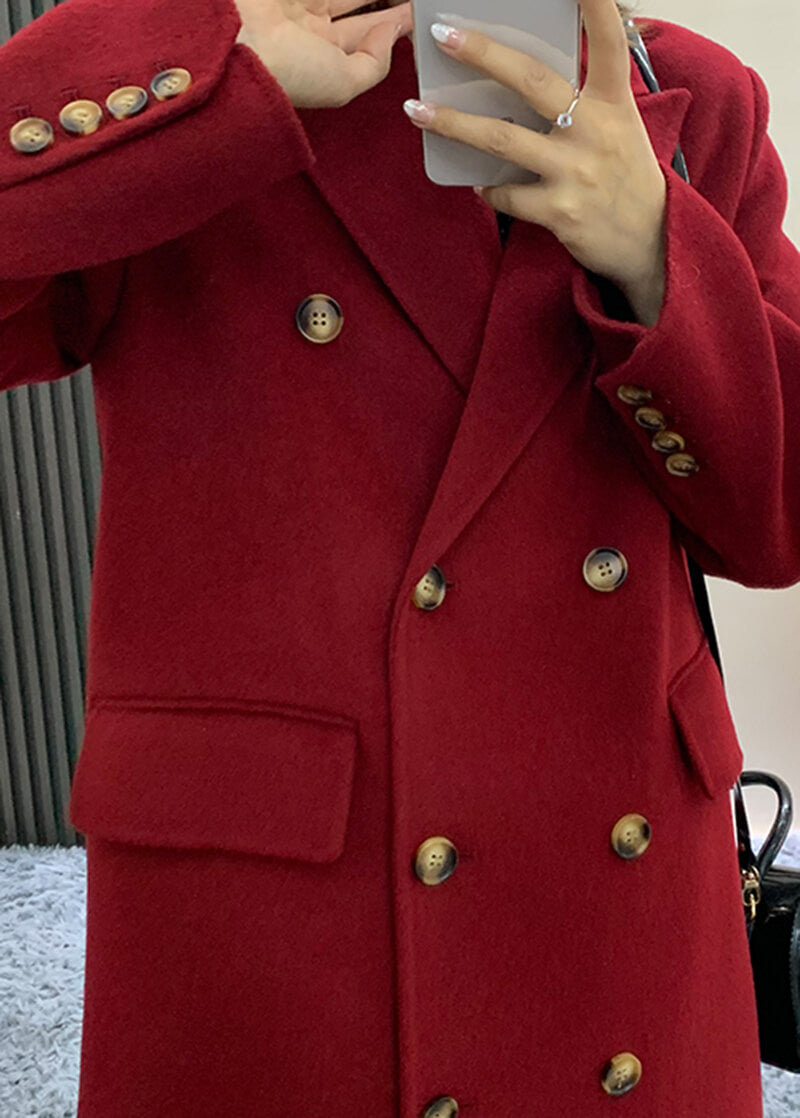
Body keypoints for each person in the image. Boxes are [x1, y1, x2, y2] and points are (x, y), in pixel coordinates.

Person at [1, 0, 798, 1113]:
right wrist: (194, 47)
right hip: (284, 908)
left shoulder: (690, 97)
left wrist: (656, 251)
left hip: (618, 890)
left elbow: (775, 522)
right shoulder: (216, 76)